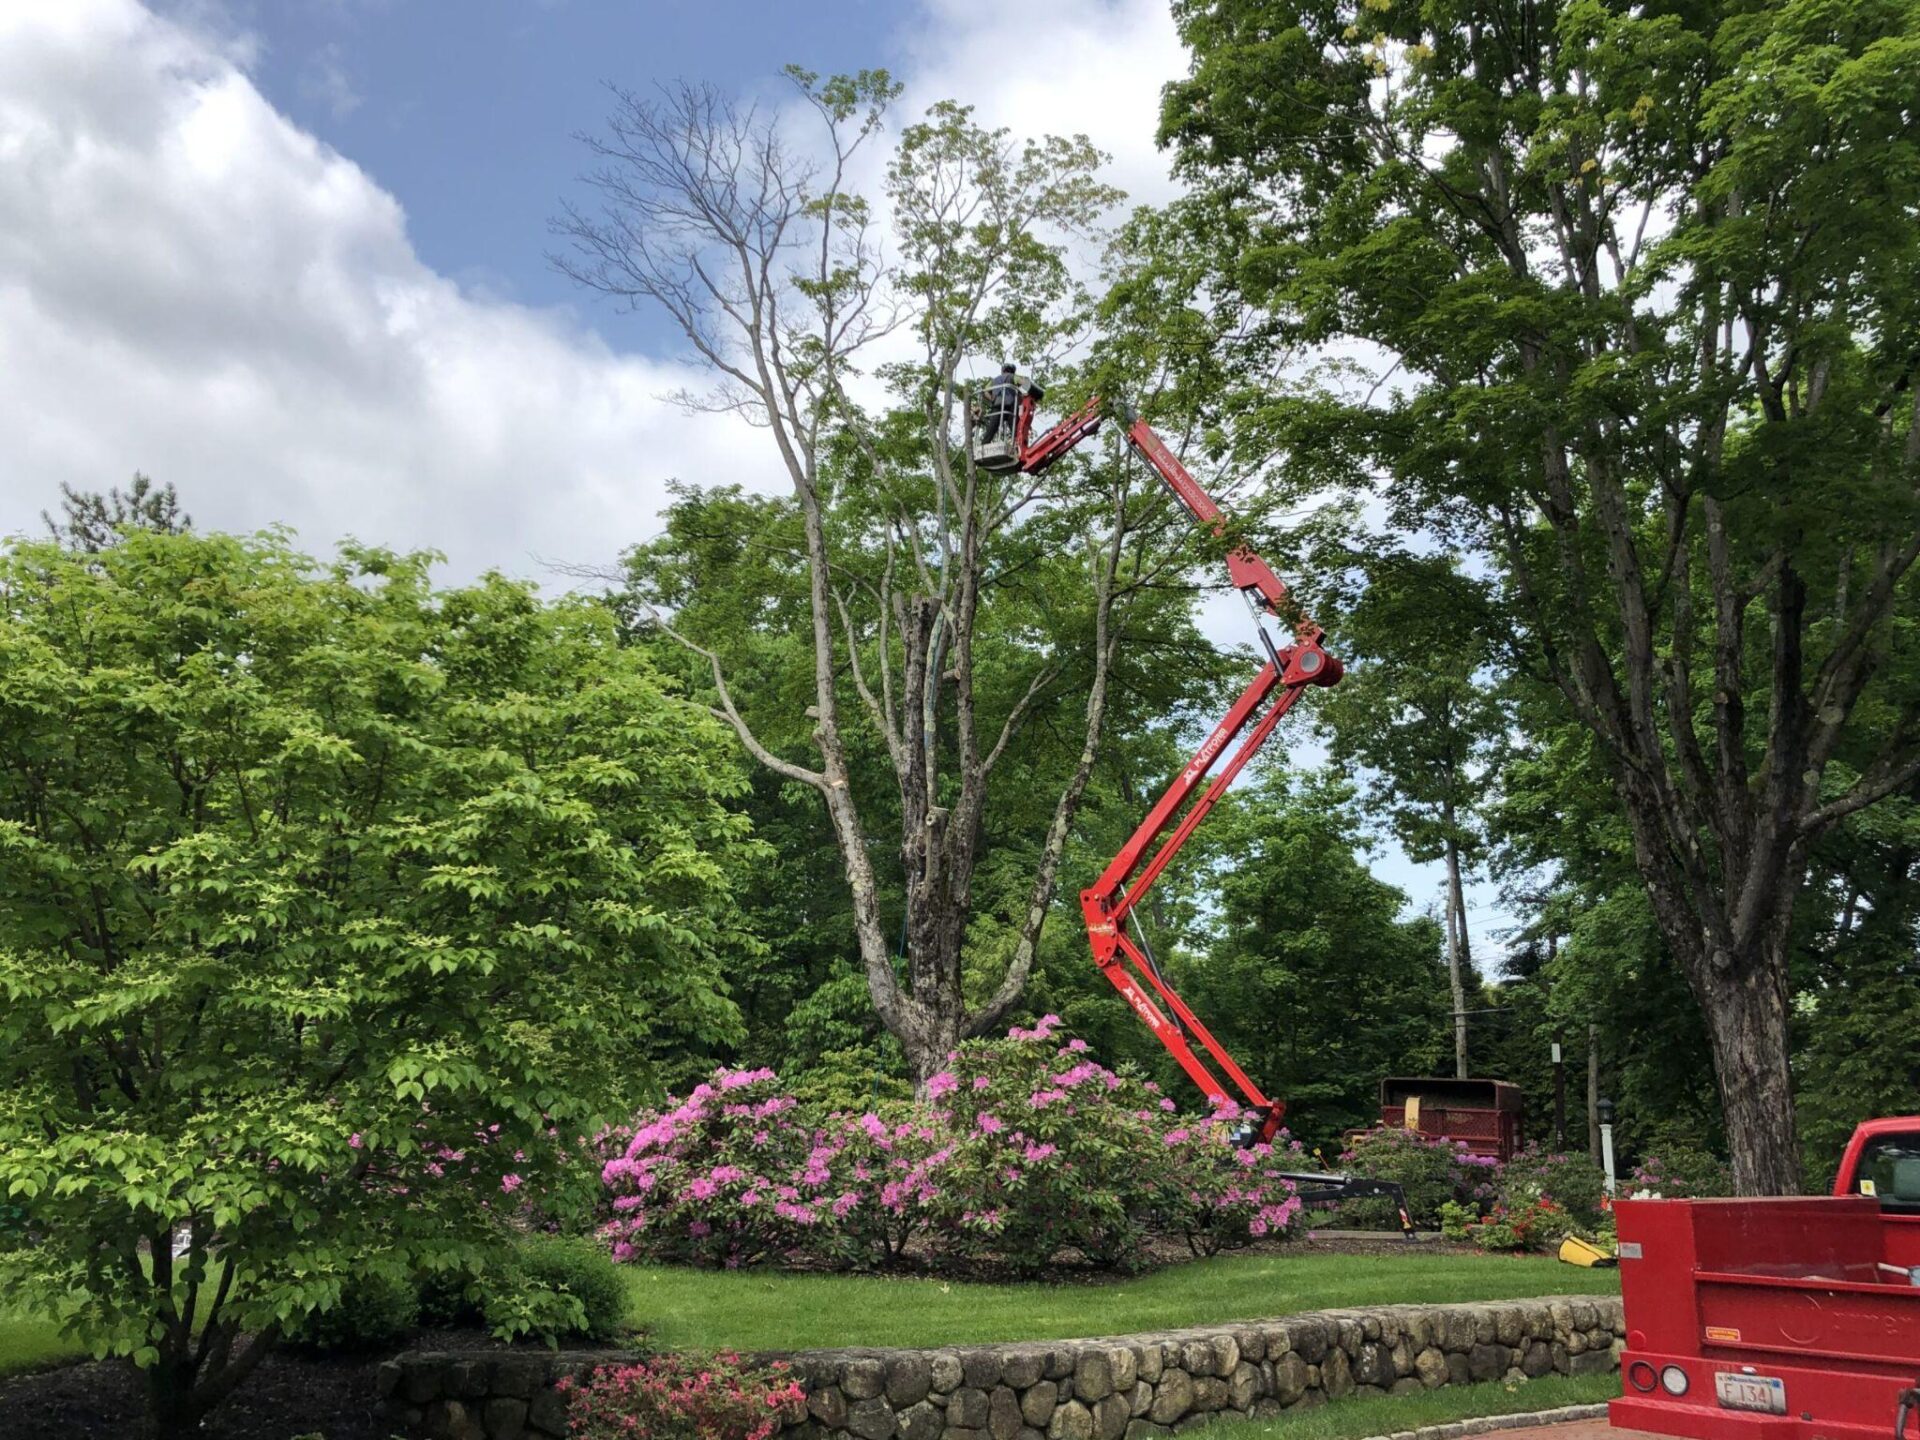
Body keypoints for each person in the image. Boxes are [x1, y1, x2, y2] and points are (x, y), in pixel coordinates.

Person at [980, 363, 1019, 444]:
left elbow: (985, 391)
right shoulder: (1013, 377)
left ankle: (984, 445)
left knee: (992, 428)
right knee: (1015, 428)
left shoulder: (994, 380)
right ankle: (1018, 445)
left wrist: (992, 399)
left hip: (997, 406)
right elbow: (1024, 382)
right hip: (1010, 406)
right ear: (1013, 371)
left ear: (1003, 370)